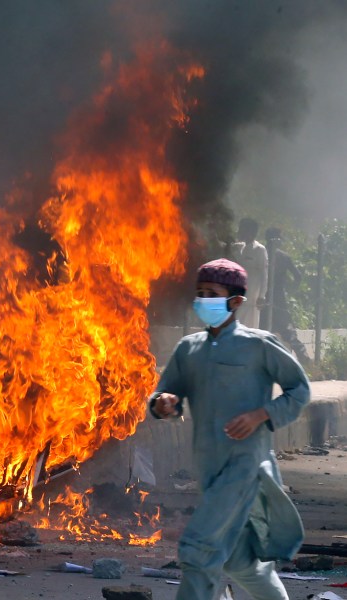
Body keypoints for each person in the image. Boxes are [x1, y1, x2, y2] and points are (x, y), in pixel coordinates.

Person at [149, 258, 310, 600]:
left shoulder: (259, 344)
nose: (203, 300)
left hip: (246, 467)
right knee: (241, 563)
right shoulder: (189, 349)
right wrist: (164, 403)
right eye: (200, 293)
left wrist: (262, 414)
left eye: (212, 293)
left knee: (198, 548)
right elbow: (166, 393)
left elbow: (300, 391)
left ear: (236, 302)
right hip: (209, 469)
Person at [262, 227, 312, 365]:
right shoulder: (283, 256)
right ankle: (304, 359)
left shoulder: (261, 252)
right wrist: (290, 290)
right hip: (279, 297)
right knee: (288, 331)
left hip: (262, 295)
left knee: (261, 329)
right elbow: (298, 276)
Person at [228, 218, 268, 328]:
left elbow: (264, 274)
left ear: (251, 232)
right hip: (233, 297)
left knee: (249, 330)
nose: (239, 232)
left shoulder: (259, 250)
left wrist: (262, 296)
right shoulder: (235, 248)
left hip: (250, 300)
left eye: (243, 229)